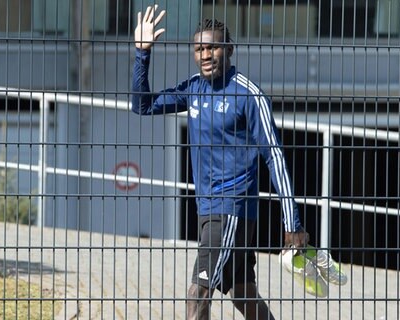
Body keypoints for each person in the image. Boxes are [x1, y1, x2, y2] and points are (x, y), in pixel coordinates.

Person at [131, 5, 309, 319]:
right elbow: (142, 106)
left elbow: (275, 156)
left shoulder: (249, 95)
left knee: (197, 293)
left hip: (232, 210)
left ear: (228, 50)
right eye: (199, 49)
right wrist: (142, 53)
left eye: (212, 47)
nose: (205, 54)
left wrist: (291, 222)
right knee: (244, 296)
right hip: (209, 210)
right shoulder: (194, 90)